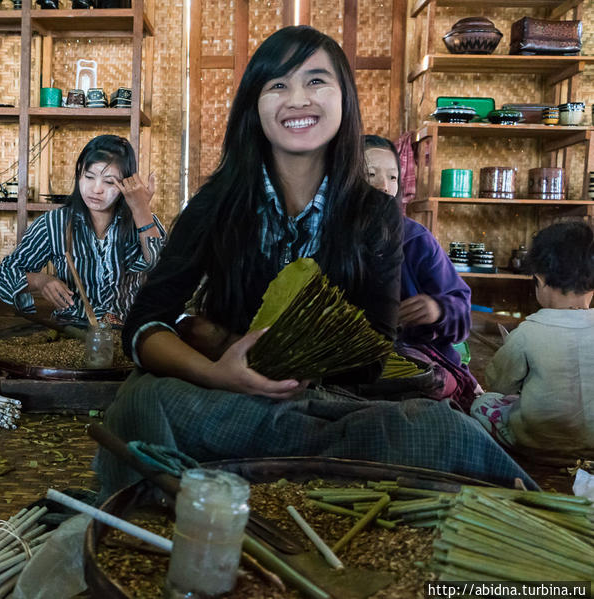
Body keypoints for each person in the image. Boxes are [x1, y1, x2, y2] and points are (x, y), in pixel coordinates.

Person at [94, 26, 536, 498]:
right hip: (227, 398)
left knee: (443, 432)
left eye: (316, 81)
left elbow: (373, 350)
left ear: (344, 98)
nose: (298, 99)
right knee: (140, 401)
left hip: (336, 407)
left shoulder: (375, 214)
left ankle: (244, 475)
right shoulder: (214, 205)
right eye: (278, 85)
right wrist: (217, 371)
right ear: (254, 105)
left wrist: (273, 356)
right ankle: (296, 476)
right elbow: (144, 323)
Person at [0, 134, 165, 324]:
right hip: (72, 329)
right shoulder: (54, 223)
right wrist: (40, 281)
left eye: (109, 182)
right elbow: (3, 276)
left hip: (127, 329)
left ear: (126, 184)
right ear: (79, 173)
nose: (96, 189)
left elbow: (162, 270)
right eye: (89, 177)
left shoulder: (143, 221)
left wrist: (141, 210)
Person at [363, 134, 479, 408]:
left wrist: (438, 309)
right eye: (370, 174)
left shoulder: (415, 239)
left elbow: (462, 309)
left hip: (420, 362)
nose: (384, 186)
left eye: (393, 177)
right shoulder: (327, 237)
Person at [471, 221, 594, 451]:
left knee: (483, 403)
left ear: (540, 280)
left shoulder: (528, 331)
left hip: (538, 443)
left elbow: (498, 384)